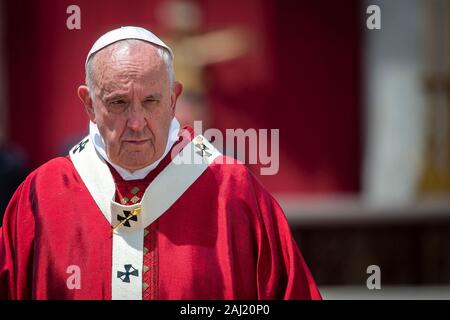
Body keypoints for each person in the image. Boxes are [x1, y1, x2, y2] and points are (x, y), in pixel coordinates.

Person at [0, 26, 321, 300]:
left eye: (151, 101)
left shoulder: (233, 193)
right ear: (89, 103)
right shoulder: (41, 197)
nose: (137, 122)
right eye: (119, 103)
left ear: (173, 98)